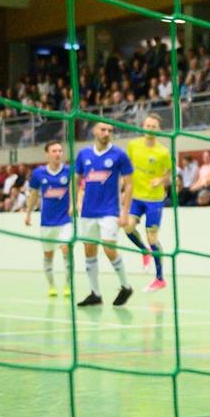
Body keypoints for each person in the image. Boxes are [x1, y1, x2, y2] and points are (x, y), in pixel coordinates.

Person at [73, 122, 135, 307]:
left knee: (109, 249)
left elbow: (129, 184)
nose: (106, 133)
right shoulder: (83, 154)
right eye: (103, 130)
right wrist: (75, 201)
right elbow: (75, 180)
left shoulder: (119, 155)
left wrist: (125, 212)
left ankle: (126, 286)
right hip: (87, 212)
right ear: (94, 131)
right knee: (89, 251)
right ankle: (95, 294)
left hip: (109, 210)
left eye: (110, 130)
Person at [124, 114, 172, 293]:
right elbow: (127, 167)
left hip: (154, 200)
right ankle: (144, 251)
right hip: (136, 196)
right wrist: (125, 188)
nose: (150, 128)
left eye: (153, 126)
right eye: (148, 125)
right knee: (128, 227)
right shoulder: (133, 145)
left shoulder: (163, 152)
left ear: (158, 129)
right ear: (142, 127)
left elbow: (169, 174)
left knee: (153, 237)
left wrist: (160, 180)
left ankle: (160, 279)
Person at [24, 140, 73, 298]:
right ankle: (52, 286)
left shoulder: (69, 171)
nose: (58, 154)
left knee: (66, 250)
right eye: (54, 151)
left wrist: (74, 205)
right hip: (47, 222)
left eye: (60, 151)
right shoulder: (38, 173)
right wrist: (28, 213)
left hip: (65, 220)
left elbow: (76, 189)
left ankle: (67, 285)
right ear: (47, 153)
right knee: (48, 255)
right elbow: (33, 194)